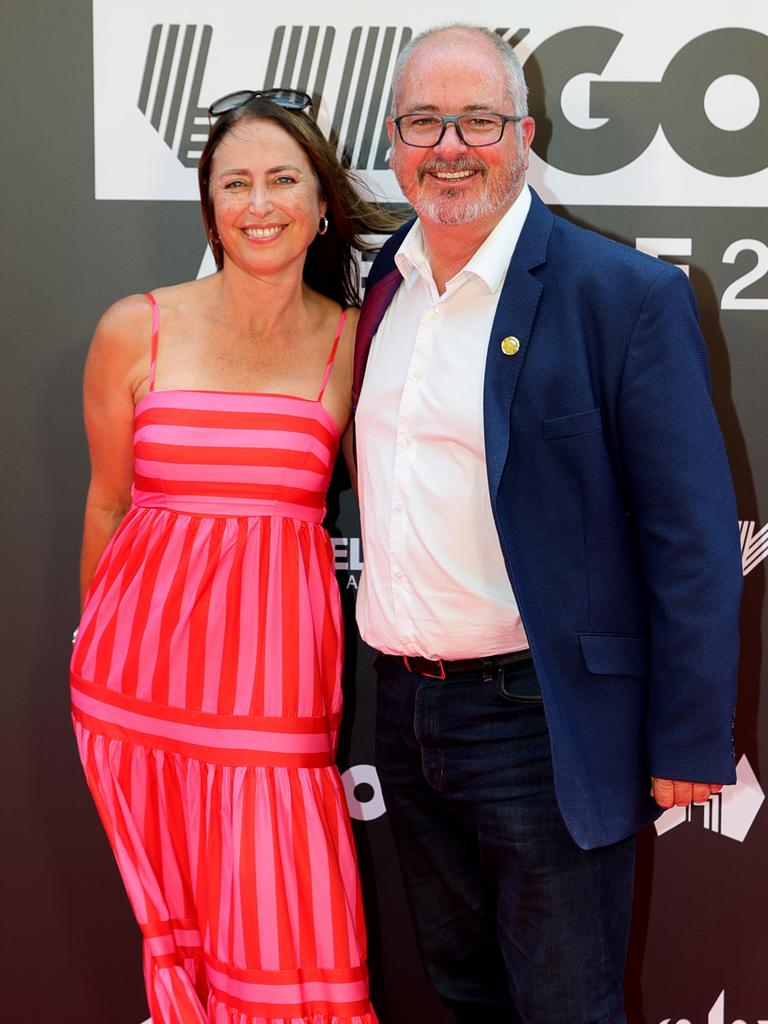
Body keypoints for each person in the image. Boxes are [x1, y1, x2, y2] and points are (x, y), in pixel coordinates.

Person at [353, 25, 742, 1024]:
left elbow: (693, 539)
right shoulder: (383, 291)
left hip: (542, 722)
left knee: (568, 1006)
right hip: (405, 717)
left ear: (524, 134)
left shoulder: (625, 295)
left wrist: (691, 736)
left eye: (478, 119)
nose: (451, 145)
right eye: (424, 122)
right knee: (465, 996)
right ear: (393, 142)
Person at [71, 88, 393, 1024]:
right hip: (139, 690)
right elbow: (107, 502)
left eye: (283, 179)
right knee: (183, 942)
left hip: (275, 702)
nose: (260, 203)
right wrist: (87, 637)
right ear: (210, 206)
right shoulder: (136, 326)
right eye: (235, 182)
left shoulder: (351, 342)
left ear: (323, 202)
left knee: (294, 932)